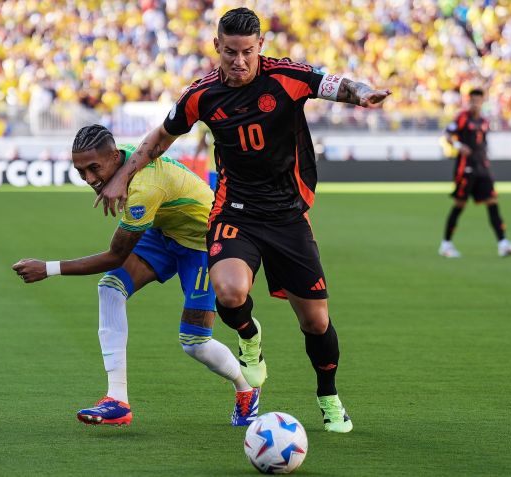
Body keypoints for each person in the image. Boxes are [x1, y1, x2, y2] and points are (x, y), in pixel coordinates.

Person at [94, 8, 391, 433]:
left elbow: (334, 84)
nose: (239, 61)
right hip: (236, 210)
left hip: (289, 216)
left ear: (260, 48)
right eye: (230, 52)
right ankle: (249, 338)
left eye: (247, 52)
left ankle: (328, 395)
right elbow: (161, 136)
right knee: (229, 291)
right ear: (217, 46)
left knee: (316, 322)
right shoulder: (201, 94)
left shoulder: (286, 76)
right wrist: (122, 175)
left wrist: (362, 93)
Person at [12, 125, 259, 426]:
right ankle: (117, 399)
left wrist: (47, 268)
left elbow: (115, 255)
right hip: (166, 232)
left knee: (195, 342)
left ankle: (246, 390)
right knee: (111, 288)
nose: (89, 179)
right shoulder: (127, 155)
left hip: (204, 241)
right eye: (81, 171)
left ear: (114, 157)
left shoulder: (145, 189)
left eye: (94, 168)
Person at [439, 89, 511, 258]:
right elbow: (447, 134)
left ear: (482, 102)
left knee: (492, 201)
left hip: (482, 168)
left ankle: (503, 243)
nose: (475, 104)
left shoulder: (484, 122)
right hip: (466, 168)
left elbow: (482, 144)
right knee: (459, 204)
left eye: (478, 101)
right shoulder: (462, 118)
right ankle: (446, 244)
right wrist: (458, 146)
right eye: (473, 101)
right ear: (468, 101)